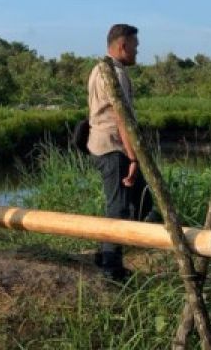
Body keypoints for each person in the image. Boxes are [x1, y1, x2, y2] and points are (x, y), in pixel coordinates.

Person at [86, 23, 152, 282]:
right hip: (113, 147)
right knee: (119, 207)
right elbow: (121, 118)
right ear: (123, 45)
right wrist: (133, 157)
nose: (137, 51)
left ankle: (107, 252)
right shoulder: (114, 74)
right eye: (135, 46)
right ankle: (111, 266)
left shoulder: (99, 69)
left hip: (106, 145)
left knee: (143, 200)